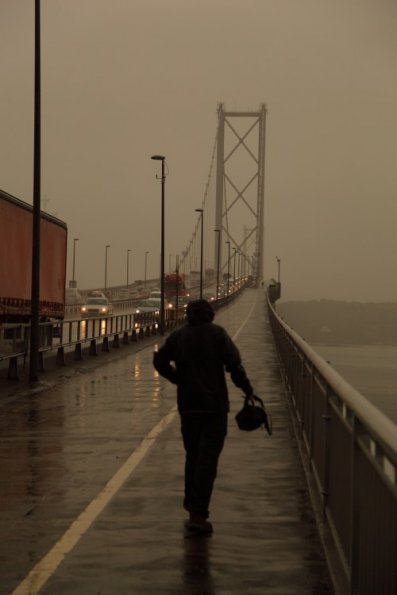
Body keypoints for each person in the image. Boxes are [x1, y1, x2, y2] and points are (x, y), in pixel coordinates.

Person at [153, 298, 254, 534]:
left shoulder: (179, 336)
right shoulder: (217, 334)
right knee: (207, 461)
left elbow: (159, 360)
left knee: (193, 456)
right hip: (213, 407)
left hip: (188, 406)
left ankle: (192, 509)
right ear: (210, 314)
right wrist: (247, 389)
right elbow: (234, 366)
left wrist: (176, 378)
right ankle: (198, 515)